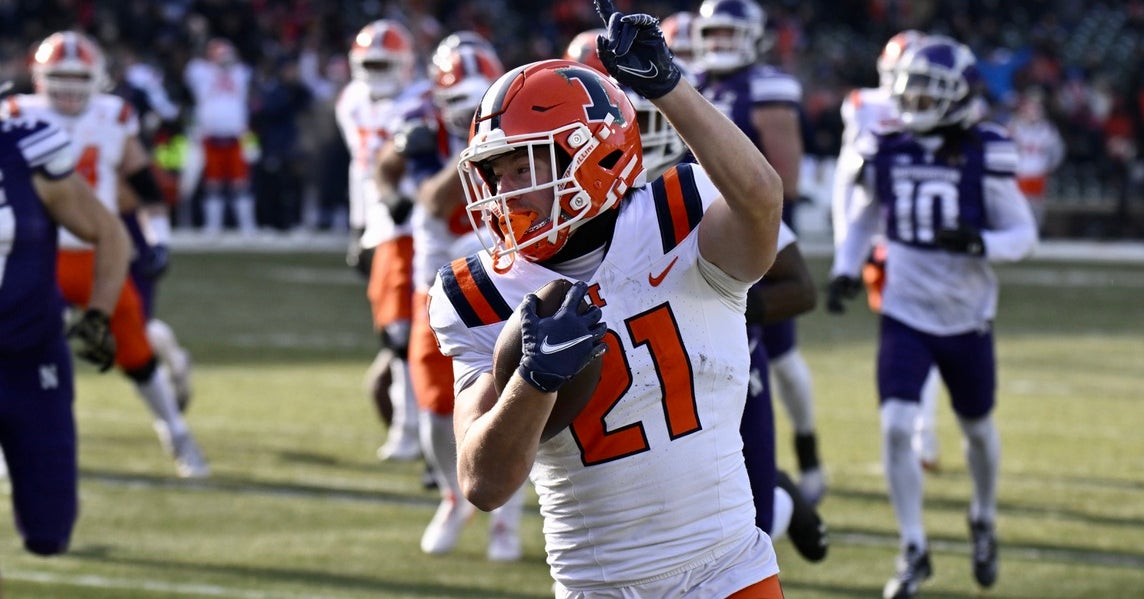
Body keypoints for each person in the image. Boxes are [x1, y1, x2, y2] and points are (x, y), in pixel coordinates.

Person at [429, 0, 788, 595]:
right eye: (496, 172)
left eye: (525, 166)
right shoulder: (478, 294)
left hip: (730, 570)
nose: (504, 190)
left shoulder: (679, 220)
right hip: (597, 586)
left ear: (593, 155)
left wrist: (671, 88)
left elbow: (761, 199)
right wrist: (533, 382)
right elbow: (483, 483)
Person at [563, 25, 824, 562]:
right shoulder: (556, 218)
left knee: (741, 526)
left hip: (719, 364)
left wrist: (715, 297)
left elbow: (798, 283)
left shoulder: (694, 188)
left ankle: (780, 497)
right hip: (622, 389)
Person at [827, 36, 1038, 599]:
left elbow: (1023, 235)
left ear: (957, 96)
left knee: (977, 431)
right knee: (897, 426)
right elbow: (868, 213)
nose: (914, 103)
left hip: (967, 316)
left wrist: (979, 242)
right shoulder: (887, 146)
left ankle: (983, 515)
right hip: (906, 311)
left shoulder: (985, 148)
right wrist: (847, 268)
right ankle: (913, 547)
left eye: (928, 93)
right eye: (911, 91)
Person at [17, 31, 210, 478]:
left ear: (97, 78)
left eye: (77, 76)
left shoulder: (113, 115)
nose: (67, 86)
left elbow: (145, 186)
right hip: (34, 257)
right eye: (58, 76)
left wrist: (158, 239)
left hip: (93, 254)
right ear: (39, 77)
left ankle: (176, 432)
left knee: (136, 353)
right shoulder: (14, 114)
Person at [394, 33, 525, 559]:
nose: (467, 112)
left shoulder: (521, 138)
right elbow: (430, 196)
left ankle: (505, 523)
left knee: (507, 403)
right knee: (431, 409)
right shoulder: (426, 135)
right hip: (440, 285)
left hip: (503, 281)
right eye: (458, 101)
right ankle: (454, 495)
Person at [693, 0, 826, 506]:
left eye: (731, 33)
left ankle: (804, 446)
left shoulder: (767, 87)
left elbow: (783, 179)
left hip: (752, 225)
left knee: (780, 354)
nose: (721, 43)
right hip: (698, 227)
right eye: (715, 32)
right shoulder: (692, 80)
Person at [0, 105, 131, 591]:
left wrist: (98, 312)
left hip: (31, 359)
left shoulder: (25, 153)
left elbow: (110, 232)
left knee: (48, 532)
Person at [831, 30, 945, 472]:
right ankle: (918, 431)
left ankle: (922, 431)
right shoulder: (866, 105)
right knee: (909, 336)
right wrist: (848, 253)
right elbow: (849, 181)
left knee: (921, 336)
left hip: (927, 240)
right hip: (883, 234)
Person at [335, 19, 426, 462]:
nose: (375, 72)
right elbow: (361, 168)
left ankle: (415, 430)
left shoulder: (421, 102)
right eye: (368, 63)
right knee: (397, 333)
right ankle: (415, 429)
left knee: (408, 333)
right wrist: (359, 227)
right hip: (384, 228)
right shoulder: (351, 101)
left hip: (421, 225)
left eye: (383, 63)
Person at [183, 37, 256, 235]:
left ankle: (247, 227)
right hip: (210, 135)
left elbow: (245, 67)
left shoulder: (240, 72)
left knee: (241, 183)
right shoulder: (200, 71)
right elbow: (192, 67)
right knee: (212, 184)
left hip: (236, 136)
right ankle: (213, 227)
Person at [1007, 88, 1064, 230]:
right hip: (1017, 175)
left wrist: (1049, 167)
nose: (1032, 111)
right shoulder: (1013, 126)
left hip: (1037, 175)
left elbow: (1057, 151)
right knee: (1015, 208)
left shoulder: (1047, 129)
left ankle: (1035, 233)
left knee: (1035, 210)